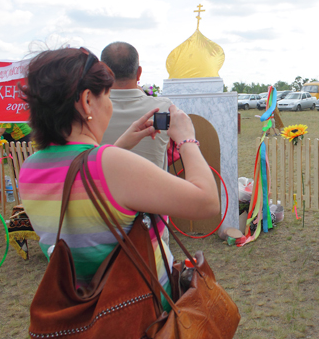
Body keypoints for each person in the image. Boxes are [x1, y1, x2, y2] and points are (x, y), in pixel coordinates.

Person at [18, 47, 220, 307]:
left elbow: (81, 176)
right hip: (137, 316)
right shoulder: (110, 165)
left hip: (81, 314)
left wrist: (121, 145)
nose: (110, 105)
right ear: (87, 101)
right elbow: (207, 202)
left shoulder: (31, 168)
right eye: (108, 96)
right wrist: (187, 140)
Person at [100, 42, 173, 168]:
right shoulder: (163, 108)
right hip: (153, 186)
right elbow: (167, 146)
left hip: (101, 186)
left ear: (102, 73)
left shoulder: (90, 111)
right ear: (139, 72)